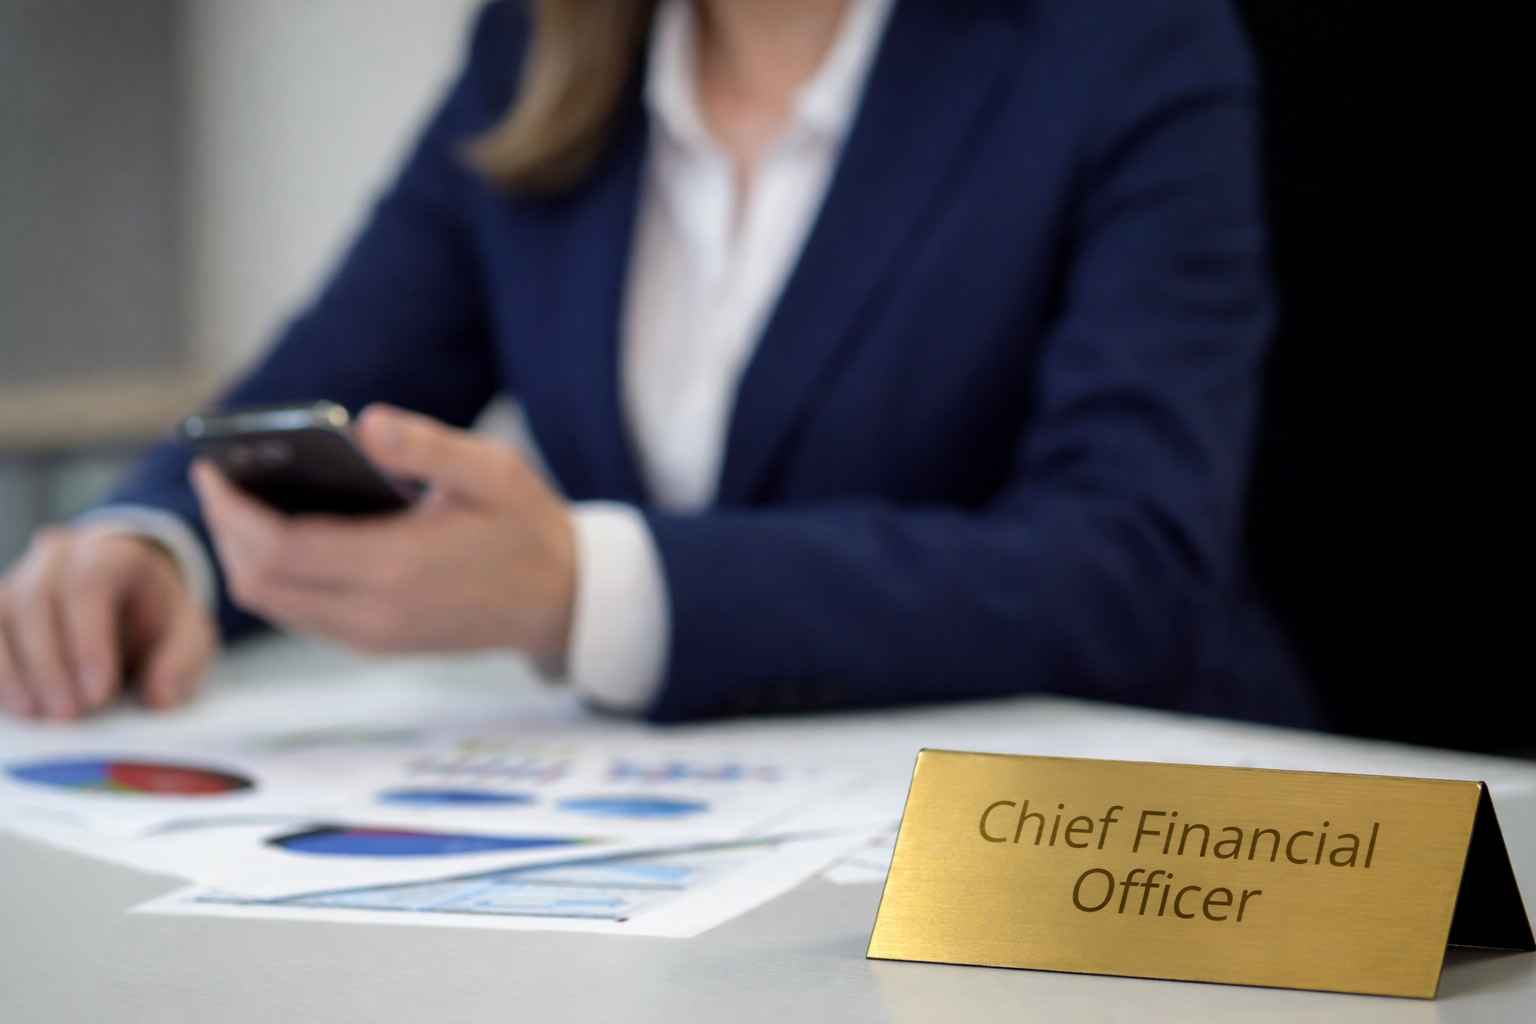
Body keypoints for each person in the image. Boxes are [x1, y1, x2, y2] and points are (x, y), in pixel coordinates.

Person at [0, 0, 1321, 728]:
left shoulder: (1127, 46)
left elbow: (1131, 566)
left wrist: (591, 589)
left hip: (1120, 849)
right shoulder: (536, 54)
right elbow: (316, 394)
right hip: (697, 865)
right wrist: (147, 549)